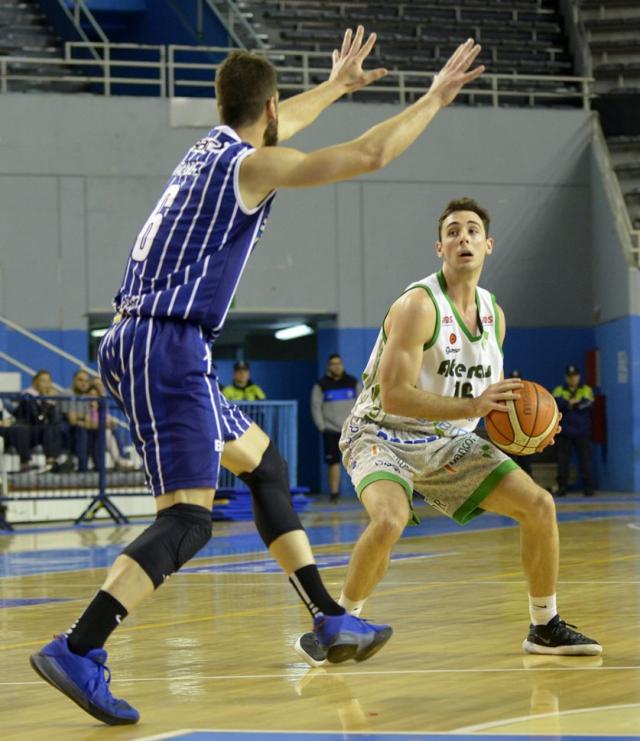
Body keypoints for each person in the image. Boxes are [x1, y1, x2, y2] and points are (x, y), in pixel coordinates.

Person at [30, 29, 485, 725]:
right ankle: (78, 646)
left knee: (264, 467)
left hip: (149, 339)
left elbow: (282, 120)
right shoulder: (250, 166)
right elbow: (369, 153)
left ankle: (330, 617)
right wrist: (432, 97)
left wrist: (336, 85)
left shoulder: (206, 149)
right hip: (167, 343)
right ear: (268, 109)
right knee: (187, 520)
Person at [294, 197, 602, 666]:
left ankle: (544, 625)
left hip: (446, 440)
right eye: (454, 231)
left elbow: (488, 395)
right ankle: (337, 625)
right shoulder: (418, 305)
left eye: (473, 230)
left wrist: (532, 424)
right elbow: (394, 394)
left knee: (540, 505)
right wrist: (473, 405)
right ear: (440, 247)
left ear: (488, 245)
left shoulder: (494, 315)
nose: (464, 238)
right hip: (381, 432)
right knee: (390, 519)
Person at [311, 354, 361, 502]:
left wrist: (358, 424)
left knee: (358, 462)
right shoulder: (321, 385)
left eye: (338, 363)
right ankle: (334, 494)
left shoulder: (353, 382)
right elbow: (315, 407)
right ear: (328, 366)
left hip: (352, 430)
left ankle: (361, 492)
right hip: (331, 431)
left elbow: (362, 403)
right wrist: (322, 427)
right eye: (333, 364)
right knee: (333, 463)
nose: (336, 366)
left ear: (343, 365)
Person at [552, 365, 595, 498]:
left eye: (575, 375)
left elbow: (587, 404)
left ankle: (588, 488)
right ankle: (562, 487)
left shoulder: (586, 390)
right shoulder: (559, 390)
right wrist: (571, 403)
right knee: (563, 462)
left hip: (582, 433)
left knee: (585, 461)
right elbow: (556, 403)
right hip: (565, 432)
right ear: (566, 377)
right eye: (570, 376)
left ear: (579, 376)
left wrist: (572, 404)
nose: (572, 378)